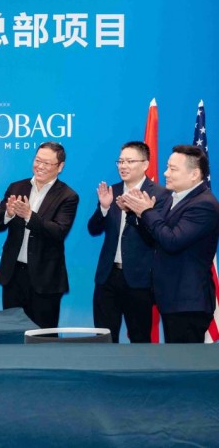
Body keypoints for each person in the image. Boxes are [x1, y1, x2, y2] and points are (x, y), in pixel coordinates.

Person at [122, 145, 219, 343]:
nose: (166, 173)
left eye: (173, 169)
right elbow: (155, 239)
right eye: (167, 167)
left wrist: (147, 212)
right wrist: (136, 214)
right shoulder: (172, 198)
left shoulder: (204, 204)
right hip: (170, 299)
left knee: (186, 361)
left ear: (194, 174)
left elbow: (172, 241)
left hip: (188, 302)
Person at [0, 142, 79, 329]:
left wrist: (29, 216)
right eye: (38, 161)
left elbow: (59, 231)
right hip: (13, 275)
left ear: (60, 167)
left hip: (45, 279)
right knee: (12, 333)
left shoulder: (68, 196)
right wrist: (8, 214)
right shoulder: (16, 187)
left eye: (47, 163)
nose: (40, 166)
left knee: (43, 336)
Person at [87, 141, 168, 343]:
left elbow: (156, 237)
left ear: (145, 164)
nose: (123, 166)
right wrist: (104, 208)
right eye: (120, 161)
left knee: (140, 339)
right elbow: (93, 229)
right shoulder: (112, 191)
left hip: (139, 280)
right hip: (107, 277)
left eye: (130, 161)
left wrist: (136, 213)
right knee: (104, 338)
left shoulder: (160, 195)